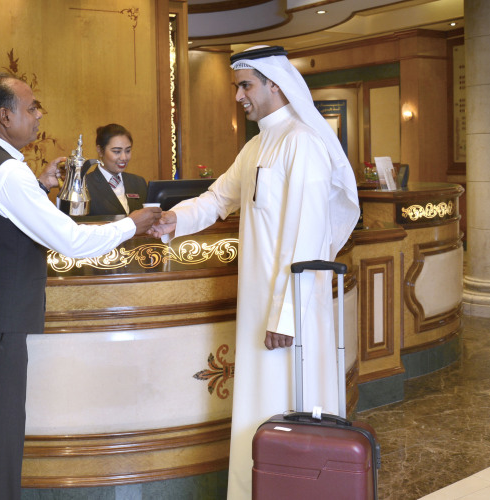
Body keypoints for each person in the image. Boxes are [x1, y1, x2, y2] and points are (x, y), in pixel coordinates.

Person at [148, 45, 360, 498]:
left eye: (245, 86)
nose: (238, 96)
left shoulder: (302, 143)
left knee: (294, 408)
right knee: (259, 408)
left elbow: (308, 239)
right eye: (237, 86)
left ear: (274, 84)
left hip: (291, 316)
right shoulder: (256, 145)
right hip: (259, 308)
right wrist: (173, 220)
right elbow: (217, 198)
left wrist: (286, 318)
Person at [0, 73, 161, 500]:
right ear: (5, 116)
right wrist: (130, 224)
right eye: (31, 107)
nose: (38, 115)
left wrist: (39, 187)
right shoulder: (8, 172)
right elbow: (72, 242)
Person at [85, 123, 148, 215]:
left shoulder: (138, 182)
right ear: (100, 151)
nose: (124, 157)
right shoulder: (85, 185)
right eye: (117, 151)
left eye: (128, 151)